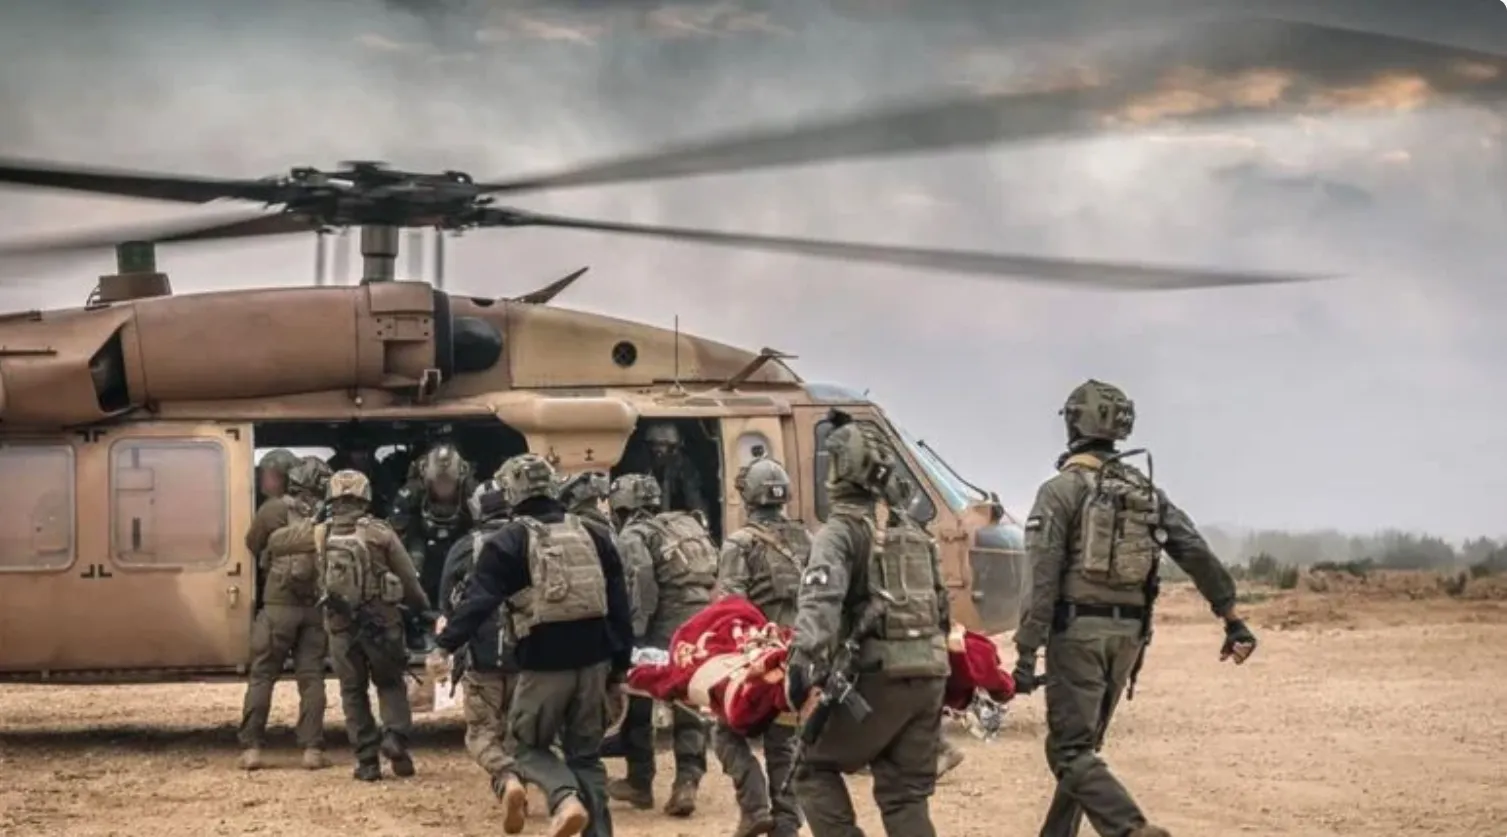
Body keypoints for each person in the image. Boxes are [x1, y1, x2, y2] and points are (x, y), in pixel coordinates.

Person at [1011, 379, 1258, 837]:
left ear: (1073, 424)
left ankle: (1131, 830)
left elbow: (1041, 578)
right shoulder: (1146, 492)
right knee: (1084, 752)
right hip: (1129, 638)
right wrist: (1232, 620)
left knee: (1069, 752)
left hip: (1077, 635)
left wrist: (1026, 652)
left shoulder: (1060, 491)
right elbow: (1195, 552)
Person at [435, 453, 634, 837]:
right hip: (595, 660)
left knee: (524, 747)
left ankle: (563, 798)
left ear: (512, 491)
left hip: (544, 661)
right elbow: (619, 606)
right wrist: (620, 668)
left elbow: (478, 602)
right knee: (585, 757)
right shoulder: (592, 533)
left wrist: (445, 644)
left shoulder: (509, 540)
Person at [784, 410, 951, 837]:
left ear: (838, 470)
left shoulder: (840, 532)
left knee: (808, 767)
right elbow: (942, 610)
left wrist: (801, 671)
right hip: (930, 675)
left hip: (876, 676)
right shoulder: (915, 532)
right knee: (905, 796)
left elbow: (820, 605)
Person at [605, 473, 717, 817]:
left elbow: (642, 586)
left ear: (621, 507)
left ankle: (640, 782)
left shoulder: (633, 535)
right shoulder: (685, 524)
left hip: (662, 625)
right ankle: (687, 781)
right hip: (700, 624)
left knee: (639, 698)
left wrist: (633, 636)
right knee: (689, 699)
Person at [712, 457, 811, 837]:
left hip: (757, 658)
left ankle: (754, 807)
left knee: (725, 733)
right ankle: (786, 825)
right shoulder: (807, 539)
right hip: (796, 657)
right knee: (783, 744)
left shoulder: (740, 543)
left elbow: (731, 607)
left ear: (748, 497)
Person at [316, 469, 431, 782]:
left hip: (340, 627)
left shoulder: (320, 534)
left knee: (352, 691)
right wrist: (423, 609)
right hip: (382, 623)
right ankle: (395, 739)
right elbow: (408, 579)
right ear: (365, 497)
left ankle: (366, 761)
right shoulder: (381, 533)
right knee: (390, 683)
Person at [237, 456, 333, 772]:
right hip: (314, 607)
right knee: (311, 678)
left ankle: (252, 748)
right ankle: (312, 750)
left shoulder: (274, 509)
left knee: (263, 676)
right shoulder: (328, 515)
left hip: (277, 606)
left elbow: (252, 543)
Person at [437, 477, 519, 800]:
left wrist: (447, 645)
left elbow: (447, 603)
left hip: (481, 657)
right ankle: (516, 781)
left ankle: (506, 776)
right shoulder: (529, 539)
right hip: (526, 655)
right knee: (518, 729)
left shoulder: (464, 548)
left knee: (481, 732)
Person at [390, 442, 477, 651]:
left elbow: (481, 525)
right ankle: (414, 625)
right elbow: (398, 531)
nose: (443, 489)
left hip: (459, 538)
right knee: (410, 571)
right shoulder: (411, 492)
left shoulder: (471, 491)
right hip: (420, 537)